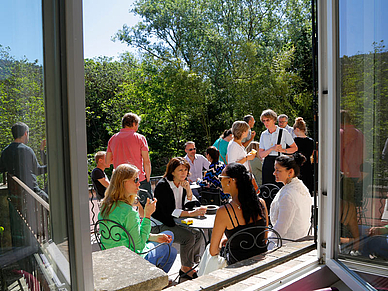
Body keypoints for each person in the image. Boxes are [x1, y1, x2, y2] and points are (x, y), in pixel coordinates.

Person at [98, 164, 177, 273]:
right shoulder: (128, 212)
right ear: (123, 182)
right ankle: (152, 280)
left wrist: (153, 237)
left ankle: (153, 276)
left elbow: (128, 235)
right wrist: (147, 215)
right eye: (135, 180)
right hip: (131, 260)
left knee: (169, 235)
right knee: (171, 251)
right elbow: (139, 246)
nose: (139, 183)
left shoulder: (106, 206)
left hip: (113, 255)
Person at [200, 163, 268, 271]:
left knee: (209, 252)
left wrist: (225, 240)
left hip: (237, 266)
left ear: (230, 180)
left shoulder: (224, 211)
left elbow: (213, 251)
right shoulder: (260, 203)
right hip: (261, 260)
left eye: (221, 177)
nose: (219, 180)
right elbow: (264, 237)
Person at [152, 157, 206, 280]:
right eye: (180, 170)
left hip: (173, 221)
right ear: (172, 172)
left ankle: (191, 264)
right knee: (188, 237)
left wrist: (188, 190)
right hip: (159, 224)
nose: (183, 173)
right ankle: (186, 269)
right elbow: (169, 212)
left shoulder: (183, 183)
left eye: (185, 170)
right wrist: (191, 214)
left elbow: (191, 205)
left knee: (198, 233)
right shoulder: (163, 186)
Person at [105, 113, 152, 195]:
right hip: (138, 178)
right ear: (134, 123)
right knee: (146, 205)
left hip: (120, 180)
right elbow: (146, 161)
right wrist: (147, 178)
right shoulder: (140, 138)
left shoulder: (113, 139)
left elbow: (107, 161)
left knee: (122, 205)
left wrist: (120, 160)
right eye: (137, 124)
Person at [0, 122, 48, 200]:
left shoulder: (5, 151)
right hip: (32, 192)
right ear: (26, 133)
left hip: (16, 195)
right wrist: (51, 166)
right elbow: (37, 171)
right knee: (52, 203)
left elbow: (1, 168)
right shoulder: (27, 150)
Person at [271, 153, 312, 240]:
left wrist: (268, 243)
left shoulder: (288, 195)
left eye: (278, 170)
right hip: (301, 238)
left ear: (290, 172)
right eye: (275, 169)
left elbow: (281, 228)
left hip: (289, 244)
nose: (274, 173)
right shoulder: (300, 187)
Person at [259, 109, 297, 186]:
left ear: (274, 120)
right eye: (264, 121)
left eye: (267, 120)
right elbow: (261, 154)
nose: (265, 123)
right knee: (267, 187)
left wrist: (283, 150)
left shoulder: (283, 132)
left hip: (280, 161)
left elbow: (294, 148)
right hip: (267, 163)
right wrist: (271, 149)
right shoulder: (263, 134)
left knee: (280, 187)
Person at [293, 117, 315, 194]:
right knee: (307, 187)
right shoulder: (311, 141)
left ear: (297, 129)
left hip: (297, 165)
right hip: (307, 165)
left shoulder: (294, 141)